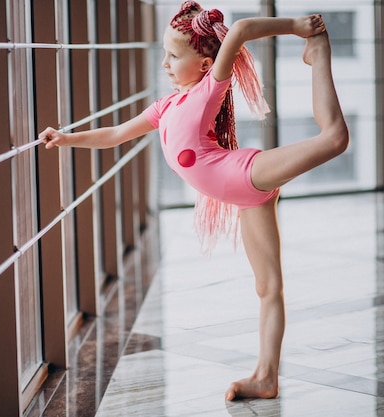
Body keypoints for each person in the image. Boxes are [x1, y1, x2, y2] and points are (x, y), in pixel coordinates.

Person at [39, 1, 349, 401]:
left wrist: (296, 26)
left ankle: (319, 51)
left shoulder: (208, 89)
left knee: (335, 139)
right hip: (248, 199)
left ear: (205, 65)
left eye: (173, 55)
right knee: (268, 287)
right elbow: (115, 134)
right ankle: (266, 377)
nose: (165, 63)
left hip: (245, 173)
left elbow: (238, 31)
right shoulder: (166, 106)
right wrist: (66, 137)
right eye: (164, 54)